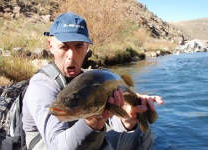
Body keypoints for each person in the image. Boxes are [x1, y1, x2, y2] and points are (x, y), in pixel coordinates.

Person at [22, 12, 164, 150]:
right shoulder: (41, 87)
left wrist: (128, 119)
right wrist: (94, 122)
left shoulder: (89, 81)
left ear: (87, 47)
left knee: (142, 132)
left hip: (85, 142)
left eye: (78, 46)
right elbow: (57, 145)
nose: (71, 55)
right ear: (50, 45)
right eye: (64, 46)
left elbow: (109, 121)